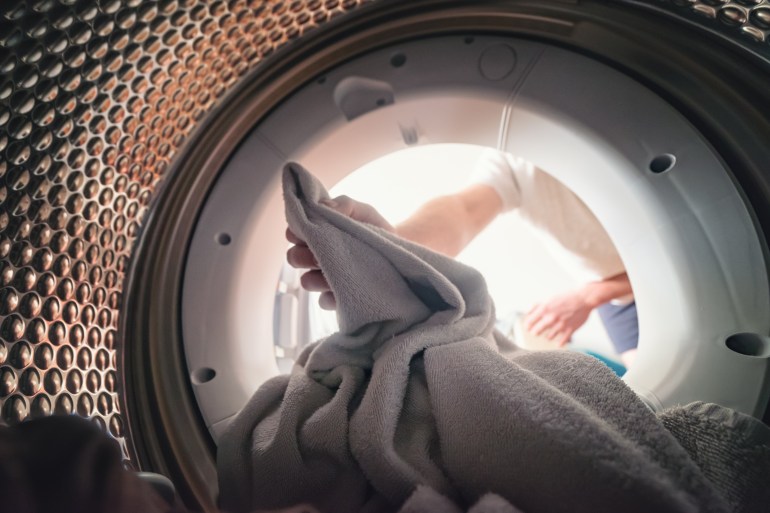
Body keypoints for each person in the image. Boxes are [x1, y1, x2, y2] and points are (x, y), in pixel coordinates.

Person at [287, 149, 638, 366]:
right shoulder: (518, 156)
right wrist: (390, 244)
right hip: (618, 300)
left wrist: (589, 296)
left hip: (625, 284)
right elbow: (462, 212)